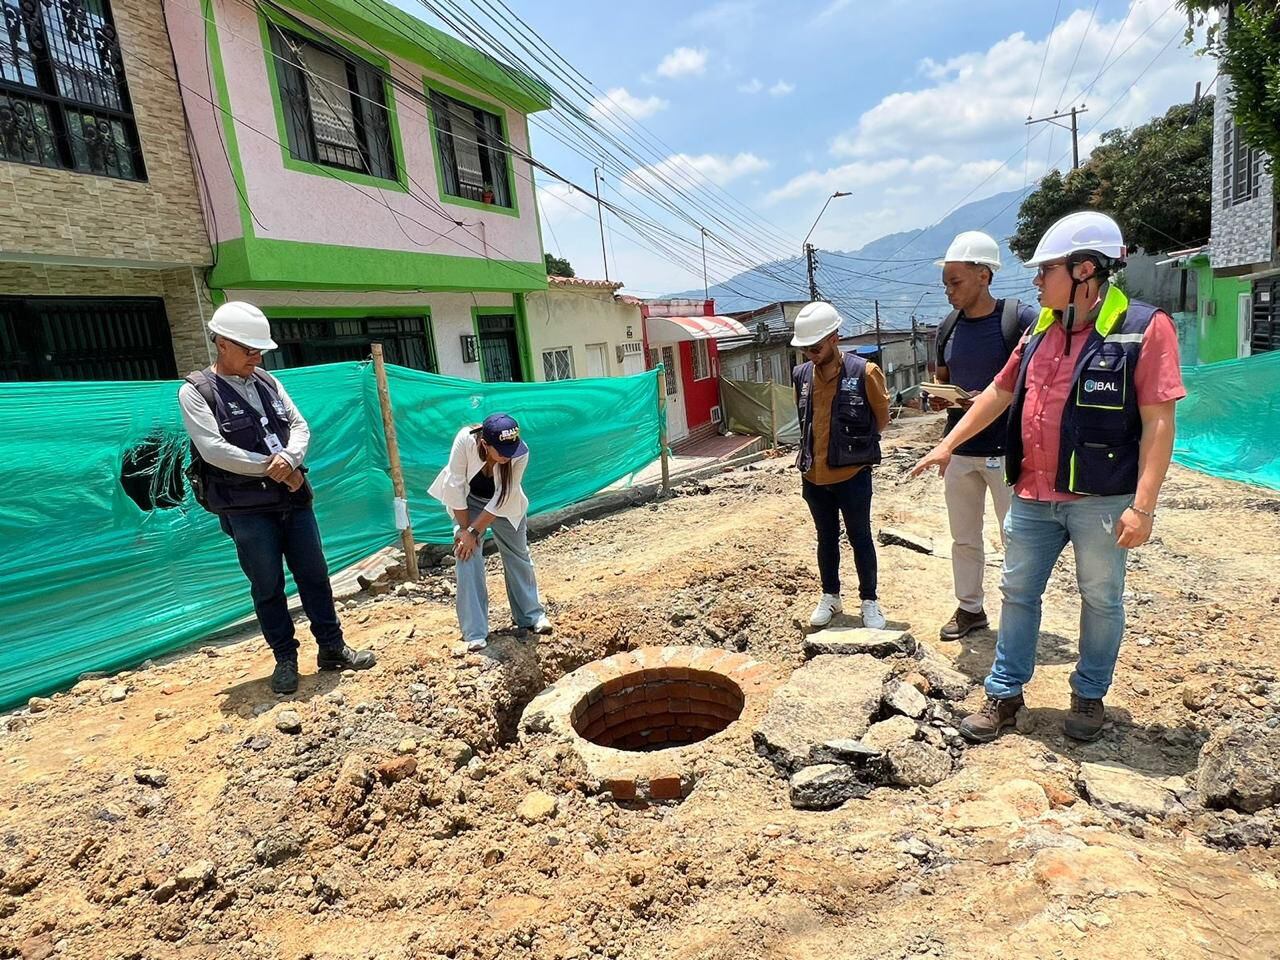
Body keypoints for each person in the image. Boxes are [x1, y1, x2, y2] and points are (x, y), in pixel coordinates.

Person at [912, 212, 1184, 742]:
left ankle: (1088, 693)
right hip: (1034, 493)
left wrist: (1143, 505)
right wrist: (947, 445)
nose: (1035, 281)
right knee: (1017, 592)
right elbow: (998, 392)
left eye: (1045, 271)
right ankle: (1004, 695)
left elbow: (1159, 421)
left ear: (1085, 271)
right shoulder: (1041, 328)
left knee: (1101, 596)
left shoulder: (1143, 329)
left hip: (1101, 498)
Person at [179, 302, 375, 695]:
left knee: (315, 576)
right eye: (249, 350)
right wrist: (269, 467)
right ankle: (285, 658)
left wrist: (289, 458)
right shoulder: (196, 393)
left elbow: (299, 425)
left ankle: (331, 647)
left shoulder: (267, 381)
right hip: (247, 509)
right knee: (267, 585)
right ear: (221, 343)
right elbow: (214, 450)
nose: (257, 356)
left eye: (259, 351)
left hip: (292, 499)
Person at [932, 231, 1037, 641]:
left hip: (1008, 452)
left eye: (955, 282)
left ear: (983, 275)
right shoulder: (947, 328)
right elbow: (943, 378)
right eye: (945, 284)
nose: (948, 292)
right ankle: (970, 609)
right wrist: (943, 399)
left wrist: (991, 400)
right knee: (963, 537)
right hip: (960, 450)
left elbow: (1039, 384)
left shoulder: (1020, 321)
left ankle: (1020, 615)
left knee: (1016, 538)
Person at [790, 302, 892, 630]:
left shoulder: (865, 372)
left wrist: (852, 448)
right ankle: (830, 596)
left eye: (816, 347)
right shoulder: (801, 375)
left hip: (852, 475)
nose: (811, 354)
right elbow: (807, 420)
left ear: (834, 338)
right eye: (806, 349)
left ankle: (869, 601)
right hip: (813, 475)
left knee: (860, 536)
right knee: (826, 537)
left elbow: (882, 419)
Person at [428, 413, 552, 651]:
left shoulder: (520, 453)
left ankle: (530, 616)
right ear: (486, 444)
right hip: (468, 501)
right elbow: (455, 486)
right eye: (503, 451)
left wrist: (475, 531)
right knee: (466, 554)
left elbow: (503, 498)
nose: (509, 455)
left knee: (518, 555)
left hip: (504, 503)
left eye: (512, 449)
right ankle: (474, 631)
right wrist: (465, 532)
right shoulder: (465, 440)